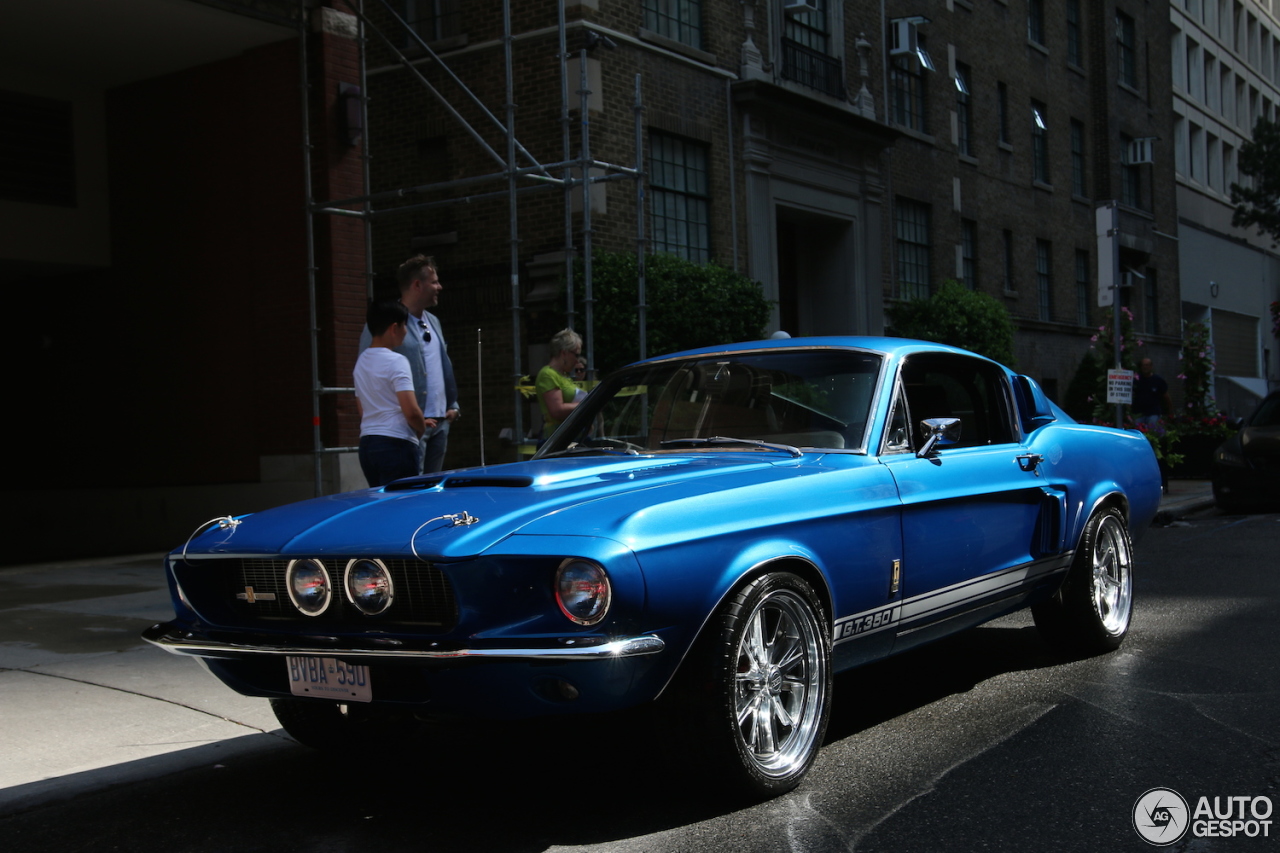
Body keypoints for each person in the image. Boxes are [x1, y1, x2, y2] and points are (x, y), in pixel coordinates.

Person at [358, 255, 459, 473]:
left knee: (432, 491)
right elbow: (366, 371)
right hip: (409, 427)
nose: (439, 287)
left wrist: (453, 405)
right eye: (434, 282)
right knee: (410, 492)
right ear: (417, 285)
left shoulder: (434, 321)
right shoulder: (385, 321)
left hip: (439, 422)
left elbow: (441, 364)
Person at [354, 300, 426, 487]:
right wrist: (420, 427)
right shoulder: (397, 361)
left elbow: (363, 410)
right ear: (394, 328)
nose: (406, 332)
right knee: (402, 504)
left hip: (368, 444)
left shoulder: (361, 362)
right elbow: (411, 411)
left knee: (380, 503)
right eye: (404, 326)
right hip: (396, 444)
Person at [536, 328, 583, 434]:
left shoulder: (563, 375)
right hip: (557, 438)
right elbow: (557, 411)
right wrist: (588, 403)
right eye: (576, 355)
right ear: (564, 353)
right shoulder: (547, 374)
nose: (577, 360)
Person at [1132, 357, 1174, 428]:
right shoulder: (1136, 380)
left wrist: (1170, 411)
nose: (1145, 367)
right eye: (1143, 365)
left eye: (1147, 365)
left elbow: (1166, 396)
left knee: (1153, 432)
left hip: (1153, 413)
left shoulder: (1158, 380)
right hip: (1138, 413)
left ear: (1151, 366)